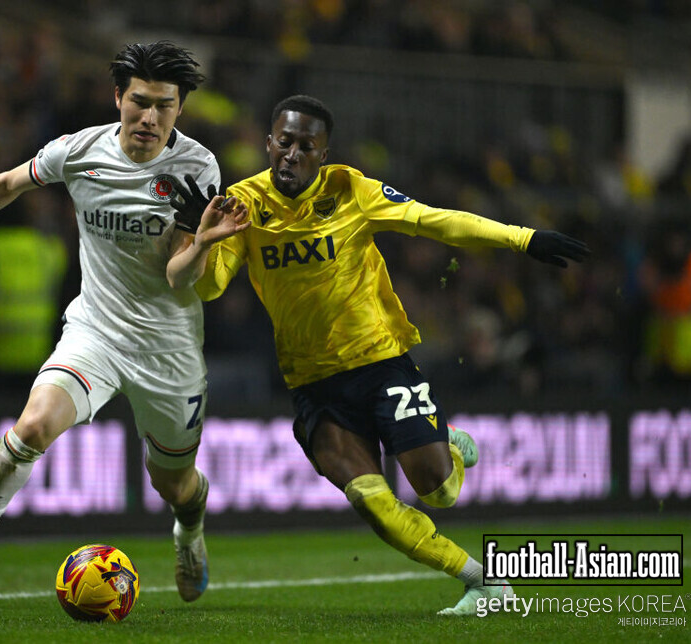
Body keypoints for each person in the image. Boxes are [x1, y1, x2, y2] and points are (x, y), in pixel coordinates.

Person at [183, 95, 589, 616]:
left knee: (439, 493)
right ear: (268, 143)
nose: (291, 154)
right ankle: (481, 581)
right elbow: (211, 287)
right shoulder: (244, 202)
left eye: (306, 146)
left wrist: (523, 238)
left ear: (323, 155)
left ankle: (454, 449)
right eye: (284, 142)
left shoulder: (349, 189)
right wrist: (202, 242)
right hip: (312, 384)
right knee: (372, 501)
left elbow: (430, 220)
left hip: (380, 362)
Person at [0, 42, 249, 601]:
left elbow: (180, 277)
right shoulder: (80, 150)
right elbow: (7, 184)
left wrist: (202, 242)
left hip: (166, 347)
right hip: (95, 332)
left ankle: (189, 531)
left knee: (173, 483)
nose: (150, 117)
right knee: (30, 428)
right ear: (118, 98)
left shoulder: (195, 166)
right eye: (140, 102)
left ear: (180, 110)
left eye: (165, 107)